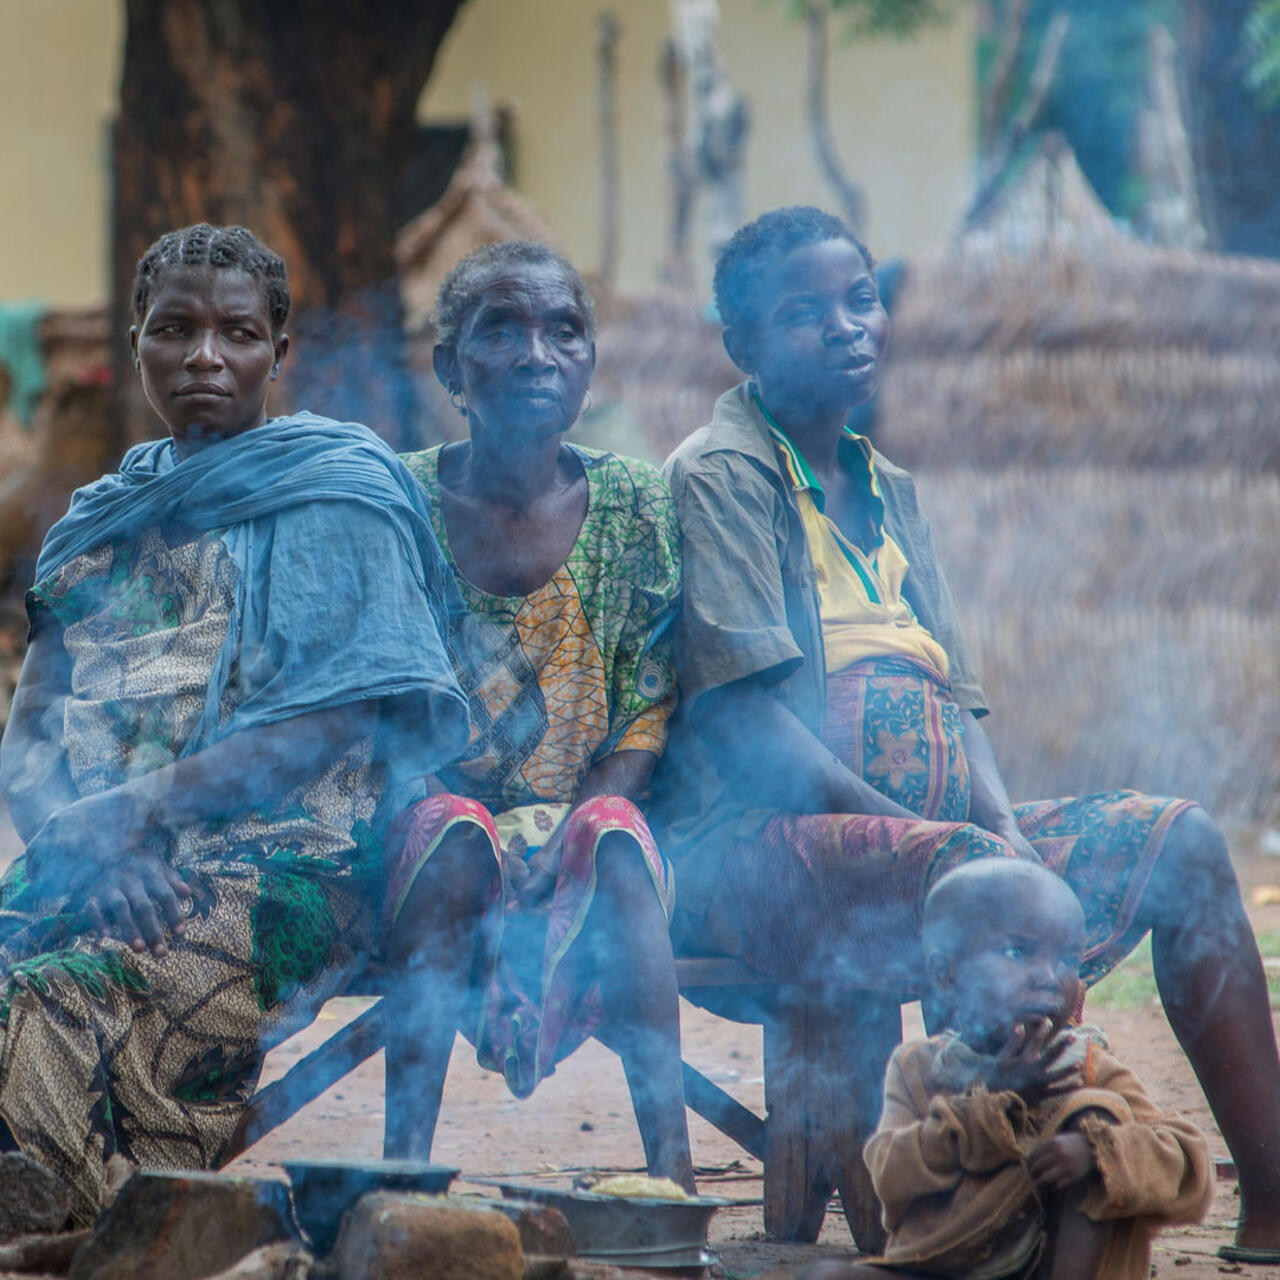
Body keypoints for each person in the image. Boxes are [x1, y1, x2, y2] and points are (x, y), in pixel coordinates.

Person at [654, 205, 1280, 1257]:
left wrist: (1003, 831)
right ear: (744, 346)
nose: (848, 325)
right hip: (764, 852)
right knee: (979, 886)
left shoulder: (890, 488)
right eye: (803, 313)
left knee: (1180, 841)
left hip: (930, 842)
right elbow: (741, 717)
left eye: (860, 299)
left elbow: (958, 700)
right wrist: (941, 841)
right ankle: (988, 1222)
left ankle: (1269, 1201)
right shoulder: (720, 473)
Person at [0, 223, 470, 1223]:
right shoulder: (97, 522)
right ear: (137, 343)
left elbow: (332, 721)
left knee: (64, 997)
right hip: (96, 857)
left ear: (277, 351)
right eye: (175, 329)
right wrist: (99, 844)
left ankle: (77, 1229)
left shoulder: (338, 493)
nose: (204, 357)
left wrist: (132, 812)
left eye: (236, 333)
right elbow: (31, 734)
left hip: (289, 863)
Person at [383, 241, 694, 1190]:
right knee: (452, 833)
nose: (536, 354)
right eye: (500, 330)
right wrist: (468, 820)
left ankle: (671, 1188)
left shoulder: (638, 504)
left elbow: (648, 701)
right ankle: (400, 1186)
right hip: (430, 833)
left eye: (564, 330)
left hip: (591, 827)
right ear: (450, 369)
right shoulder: (397, 499)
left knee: (612, 834)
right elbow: (380, 706)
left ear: (591, 361)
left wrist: (562, 830)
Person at [798, 859, 1211, 1280]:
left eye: (1069, 959)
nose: (1051, 977)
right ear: (946, 975)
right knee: (826, 1278)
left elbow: (1189, 1162)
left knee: (1097, 1111)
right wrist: (987, 1106)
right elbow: (890, 1176)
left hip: (1053, 1269)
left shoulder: (1087, 1067)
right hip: (945, 1268)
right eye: (1018, 952)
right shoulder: (920, 1068)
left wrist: (1095, 1155)